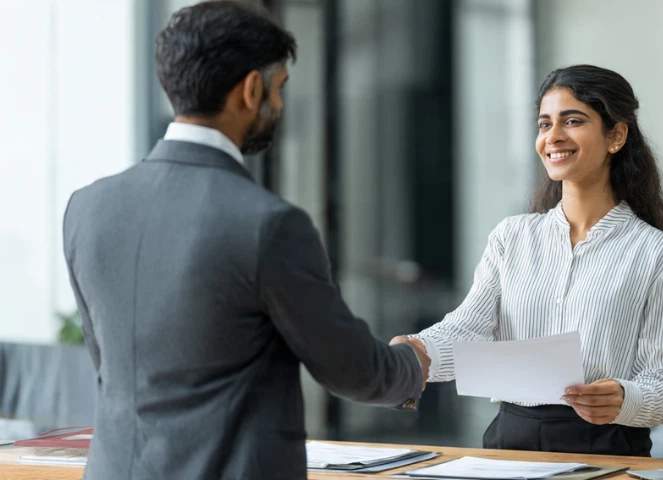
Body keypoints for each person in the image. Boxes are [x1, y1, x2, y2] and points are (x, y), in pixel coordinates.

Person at [62, 2, 429, 479]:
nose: (278, 107)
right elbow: (352, 369)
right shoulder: (268, 224)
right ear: (251, 89)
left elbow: (109, 364)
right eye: (278, 90)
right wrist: (414, 362)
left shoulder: (86, 208)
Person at [392, 65, 663, 457]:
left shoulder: (659, 254)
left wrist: (624, 397)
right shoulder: (511, 236)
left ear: (616, 135)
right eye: (545, 123)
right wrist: (416, 353)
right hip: (507, 442)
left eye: (573, 121)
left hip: (605, 446)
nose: (553, 137)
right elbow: (468, 328)